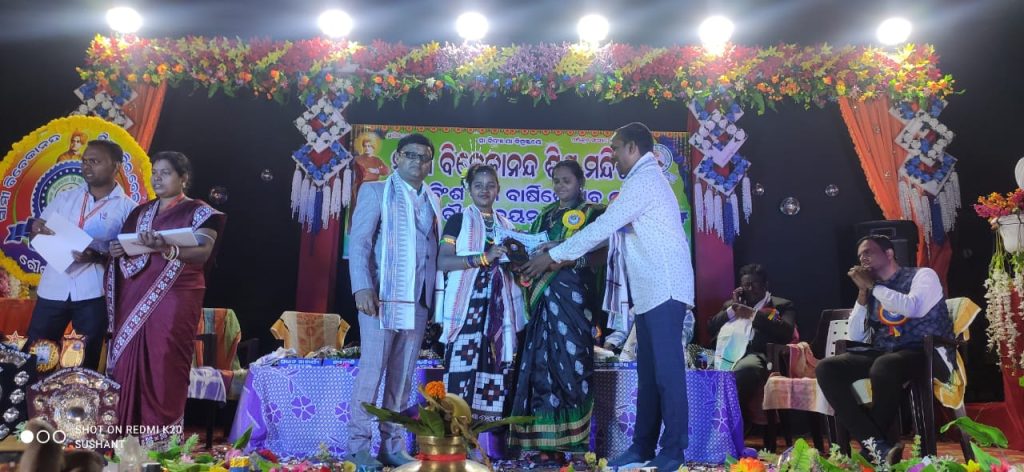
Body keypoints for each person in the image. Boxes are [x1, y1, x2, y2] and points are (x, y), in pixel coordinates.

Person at [522, 122, 694, 470]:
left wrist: (554, 257)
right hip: (650, 292)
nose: (611, 155)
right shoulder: (639, 181)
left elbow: (603, 227)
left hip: (665, 288)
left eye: (615, 149)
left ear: (632, 147)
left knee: (667, 375)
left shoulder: (645, 180)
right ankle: (642, 447)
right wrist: (557, 245)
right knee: (649, 377)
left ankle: (674, 451)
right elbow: (611, 234)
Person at [107, 151, 226, 445]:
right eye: (154, 173)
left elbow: (202, 253)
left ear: (183, 178)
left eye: (166, 173)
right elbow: (126, 251)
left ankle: (160, 442)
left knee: (165, 362)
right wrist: (117, 251)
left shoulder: (201, 212)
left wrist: (166, 248)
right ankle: (125, 440)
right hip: (133, 297)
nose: (157, 178)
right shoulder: (139, 214)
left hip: (176, 296)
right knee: (126, 362)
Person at [347, 133, 442, 468]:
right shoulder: (375, 191)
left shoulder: (432, 199)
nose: (418, 162)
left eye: (424, 157)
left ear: (430, 164)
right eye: (411, 155)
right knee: (372, 372)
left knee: (402, 377)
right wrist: (362, 287)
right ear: (397, 158)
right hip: (381, 297)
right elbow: (359, 243)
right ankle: (358, 447)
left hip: (417, 300)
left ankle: (392, 445)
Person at [816, 235, 953, 463]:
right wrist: (863, 294)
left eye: (868, 252)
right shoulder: (873, 289)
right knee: (827, 368)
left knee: (885, 365)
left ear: (889, 254)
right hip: (885, 352)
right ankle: (878, 447)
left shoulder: (923, 276)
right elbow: (855, 336)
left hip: (923, 352)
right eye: (860, 255)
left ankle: (870, 452)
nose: (863, 258)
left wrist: (873, 286)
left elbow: (912, 307)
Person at [509, 160, 606, 458]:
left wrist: (566, 261)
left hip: (574, 301)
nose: (561, 186)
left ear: (580, 182)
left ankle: (576, 444)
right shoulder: (544, 215)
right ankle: (545, 443)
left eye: (567, 180)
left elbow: (602, 253)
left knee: (574, 365)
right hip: (543, 301)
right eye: (556, 181)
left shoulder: (594, 213)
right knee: (541, 366)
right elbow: (532, 250)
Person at [27, 139, 136, 370]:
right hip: (54, 287)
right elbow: (37, 233)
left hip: (93, 292)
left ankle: (78, 394)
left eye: (94, 161)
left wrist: (96, 256)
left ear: (116, 166)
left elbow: (130, 257)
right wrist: (36, 229)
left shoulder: (128, 208)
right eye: (85, 161)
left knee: (85, 357)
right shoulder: (65, 197)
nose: (86, 166)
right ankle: (34, 393)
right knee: (39, 353)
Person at [435, 164, 527, 425]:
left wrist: (520, 265)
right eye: (478, 185)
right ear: (468, 189)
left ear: (498, 189)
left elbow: (514, 268)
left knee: (495, 370)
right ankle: (455, 435)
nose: (484, 190)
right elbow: (443, 261)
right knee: (460, 371)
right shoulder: (458, 220)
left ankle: (485, 440)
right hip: (466, 308)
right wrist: (484, 258)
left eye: (490, 185)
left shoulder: (506, 225)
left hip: (498, 311)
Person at [707, 264, 797, 423]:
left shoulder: (780, 305)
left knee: (745, 369)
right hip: (726, 352)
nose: (750, 289)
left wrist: (752, 314)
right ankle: (705, 422)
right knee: (698, 368)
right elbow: (711, 327)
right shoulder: (731, 305)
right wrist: (732, 309)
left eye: (754, 284)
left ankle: (727, 422)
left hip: (756, 353)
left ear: (765, 284)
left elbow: (785, 332)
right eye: (746, 285)